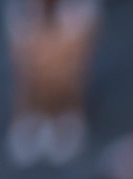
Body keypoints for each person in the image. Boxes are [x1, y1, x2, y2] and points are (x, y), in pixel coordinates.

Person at [6, 0, 99, 166]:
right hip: (32, 107)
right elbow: (22, 64)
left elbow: (77, 62)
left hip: (67, 106)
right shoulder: (22, 18)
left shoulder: (79, 17)